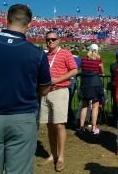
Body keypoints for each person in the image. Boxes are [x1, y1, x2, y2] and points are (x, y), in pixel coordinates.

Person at [0, 4, 51, 174]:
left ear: (6, 20)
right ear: (29, 24)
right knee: (20, 170)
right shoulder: (37, 54)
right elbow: (44, 89)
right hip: (23, 117)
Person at [39, 31, 78, 172]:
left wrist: (57, 80)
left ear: (58, 40)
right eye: (48, 39)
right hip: (45, 93)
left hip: (59, 91)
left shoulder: (65, 53)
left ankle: (61, 157)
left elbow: (74, 70)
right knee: (49, 126)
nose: (50, 41)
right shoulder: (44, 55)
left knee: (59, 125)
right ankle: (52, 154)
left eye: (53, 39)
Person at [77, 44, 104, 135]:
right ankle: (93, 127)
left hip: (85, 84)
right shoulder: (98, 61)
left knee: (84, 106)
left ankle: (81, 127)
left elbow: (80, 69)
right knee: (95, 107)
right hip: (95, 84)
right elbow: (102, 72)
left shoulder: (83, 60)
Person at [67, 50, 82, 128]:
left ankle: (70, 117)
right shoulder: (79, 60)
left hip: (66, 79)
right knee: (69, 100)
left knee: (66, 101)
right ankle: (71, 117)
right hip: (73, 80)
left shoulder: (68, 58)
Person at [109, 50, 118, 126]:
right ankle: (117, 118)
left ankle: (115, 118)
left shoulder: (113, 65)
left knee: (115, 102)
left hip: (115, 85)